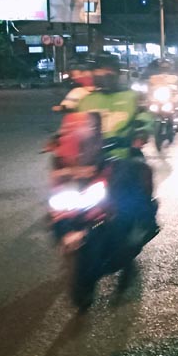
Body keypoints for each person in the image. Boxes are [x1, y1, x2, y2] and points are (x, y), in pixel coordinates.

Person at [54, 55, 158, 241]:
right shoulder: (87, 100)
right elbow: (73, 125)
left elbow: (146, 117)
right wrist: (59, 138)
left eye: (108, 69)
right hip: (91, 158)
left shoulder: (131, 97)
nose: (104, 73)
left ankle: (143, 223)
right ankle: (62, 223)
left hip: (122, 154)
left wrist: (140, 133)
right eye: (100, 69)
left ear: (117, 72)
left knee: (137, 178)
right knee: (61, 179)